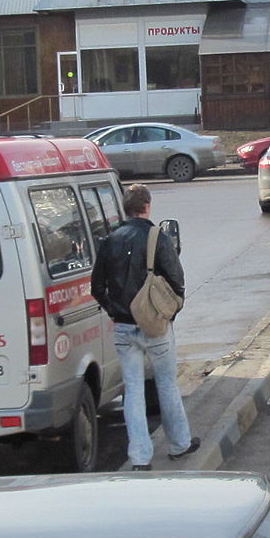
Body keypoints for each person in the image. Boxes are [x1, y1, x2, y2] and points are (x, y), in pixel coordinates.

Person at [90, 184, 197, 470]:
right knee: (166, 385)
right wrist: (168, 315)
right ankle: (179, 444)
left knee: (133, 391)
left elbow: (96, 287)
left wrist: (114, 311)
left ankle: (139, 457)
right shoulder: (157, 238)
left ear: (125, 209)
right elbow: (177, 280)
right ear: (147, 206)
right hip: (156, 327)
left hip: (124, 328)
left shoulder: (110, 240)